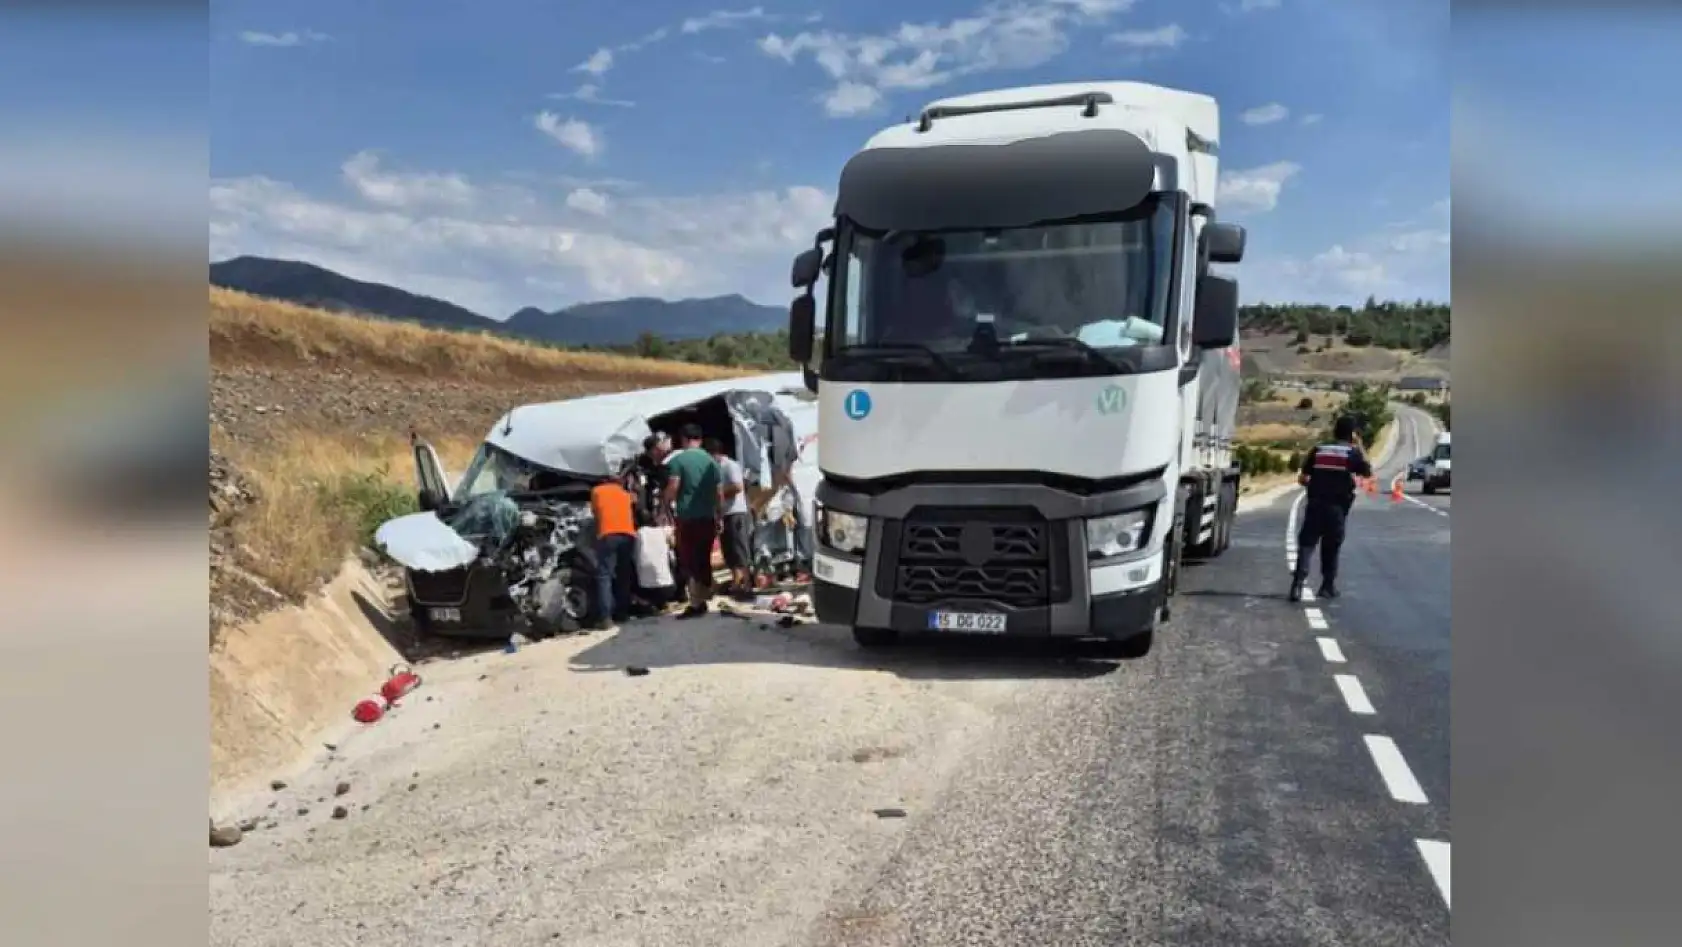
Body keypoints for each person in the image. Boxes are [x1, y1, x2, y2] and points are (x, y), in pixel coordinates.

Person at [1290, 415, 1373, 602]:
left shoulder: (1319, 450)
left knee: (1307, 544)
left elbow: (1303, 478)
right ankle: (1327, 587)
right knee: (1331, 547)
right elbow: (1367, 471)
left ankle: (1297, 584)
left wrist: (1317, 486)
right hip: (1337, 508)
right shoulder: (1352, 453)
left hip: (1315, 504)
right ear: (1352, 434)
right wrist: (1360, 446)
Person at [663, 424, 721, 617]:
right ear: (700, 439)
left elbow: (673, 487)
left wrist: (665, 502)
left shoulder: (678, 461)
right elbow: (718, 492)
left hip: (688, 518)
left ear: (683, 439)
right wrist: (719, 515)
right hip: (708, 517)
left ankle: (696, 603)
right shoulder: (712, 462)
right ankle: (703, 597)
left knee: (689, 559)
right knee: (704, 558)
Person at [588, 464, 638, 629]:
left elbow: (595, 514)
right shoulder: (626, 494)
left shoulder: (596, 491)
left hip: (608, 535)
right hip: (628, 535)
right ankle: (623, 613)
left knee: (604, 575)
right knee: (623, 574)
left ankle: (606, 618)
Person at [707, 437, 756, 601]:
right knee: (729, 551)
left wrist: (719, 494)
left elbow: (737, 486)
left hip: (736, 512)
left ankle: (747, 583)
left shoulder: (730, 466)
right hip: (724, 514)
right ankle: (736, 582)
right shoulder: (716, 469)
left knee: (740, 549)